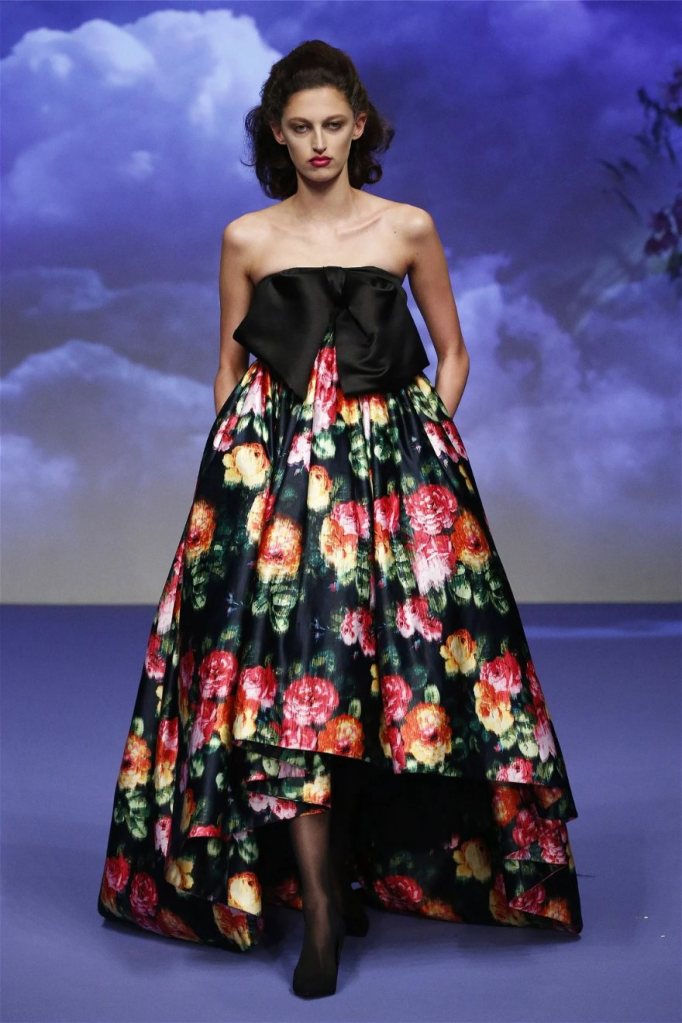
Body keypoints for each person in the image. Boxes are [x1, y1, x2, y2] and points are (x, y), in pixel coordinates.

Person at [97, 38, 583, 999]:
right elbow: (228, 370)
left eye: (333, 124)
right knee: (295, 675)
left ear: (360, 126)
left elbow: (453, 351)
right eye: (300, 128)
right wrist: (240, 479)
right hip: (276, 494)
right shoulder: (248, 238)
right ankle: (320, 906)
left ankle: (350, 876)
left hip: (396, 484)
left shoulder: (408, 228)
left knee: (386, 674)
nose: (318, 142)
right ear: (276, 136)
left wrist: (425, 445)